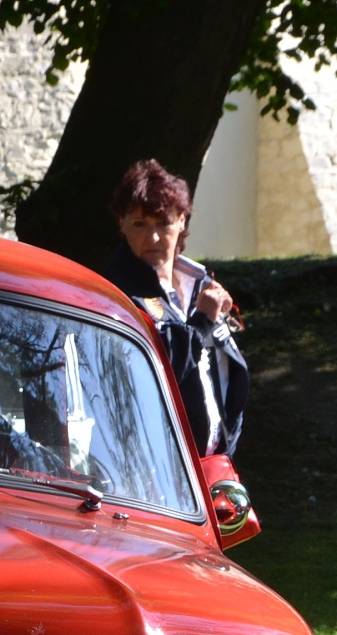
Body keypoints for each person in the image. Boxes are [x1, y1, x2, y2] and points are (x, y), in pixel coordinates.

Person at [101, 159, 249, 458]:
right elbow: (158, 371)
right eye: (140, 224)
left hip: (214, 463)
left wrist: (226, 444)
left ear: (182, 221)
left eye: (163, 223)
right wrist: (203, 321)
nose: (153, 237)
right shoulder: (116, 294)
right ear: (121, 224)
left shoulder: (200, 284)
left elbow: (224, 374)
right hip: (153, 465)